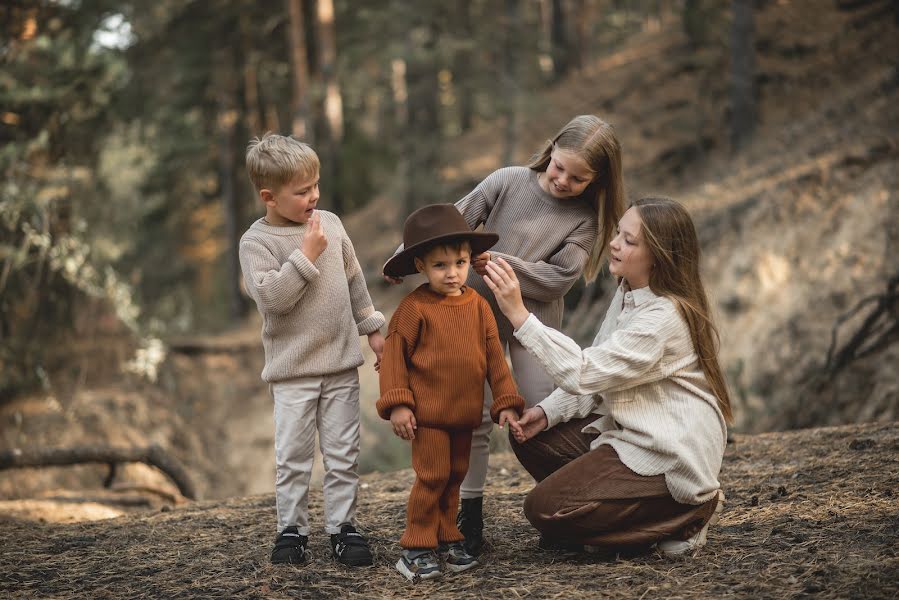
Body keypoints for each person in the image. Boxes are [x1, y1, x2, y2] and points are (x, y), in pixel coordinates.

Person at [385, 114, 625, 556]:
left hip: (532, 321)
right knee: (471, 417)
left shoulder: (586, 221)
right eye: (559, 167)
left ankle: (566, 509)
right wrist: (403, 258)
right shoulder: (508, 181)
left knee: (542, 412)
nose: (562, 180)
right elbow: (450, 223)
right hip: (468, 315)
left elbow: (557, 279)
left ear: (598, 180)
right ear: (550, 150)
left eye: (578, 177)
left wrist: (502, 264)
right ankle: (469, 514)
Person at [483, 196, 732, 556]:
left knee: (542, 510)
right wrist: (548, 412)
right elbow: (601, 372)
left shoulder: (662, 318)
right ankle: (604, 522)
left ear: (659, 255)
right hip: (631, 433)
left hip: (668, 451)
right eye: (619, 232)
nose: (614, 243)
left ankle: (688, 512)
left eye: (630, 241)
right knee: (531, 437)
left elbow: (582, 371)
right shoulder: (630, 292)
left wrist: (519, 314)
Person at [239, 133, 386, 567]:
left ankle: (343, 527)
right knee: (294, 457)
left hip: (341, 364)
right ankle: (292, 531)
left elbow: (355, 280)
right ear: (269, 196)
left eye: (316, 185)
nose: (314, 196)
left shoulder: (332, 224)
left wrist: (372, 327)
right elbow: (273, 299)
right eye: (302, 191)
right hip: (292, 372)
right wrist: (305, 255)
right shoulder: (256, 243)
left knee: (343, 453)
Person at [377, 204, 525, 580]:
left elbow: (494, 357)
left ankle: (447, 536)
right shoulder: (414, 309)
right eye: (440, 265)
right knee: (432, 475)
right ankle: (416, 546)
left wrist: (506, 401)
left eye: (460, 262)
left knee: (456, 475)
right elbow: (394, 357)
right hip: (427, 416)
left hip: (465, 414)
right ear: (421, 267)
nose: (452, 272)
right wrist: (397, 405)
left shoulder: (478, 306)